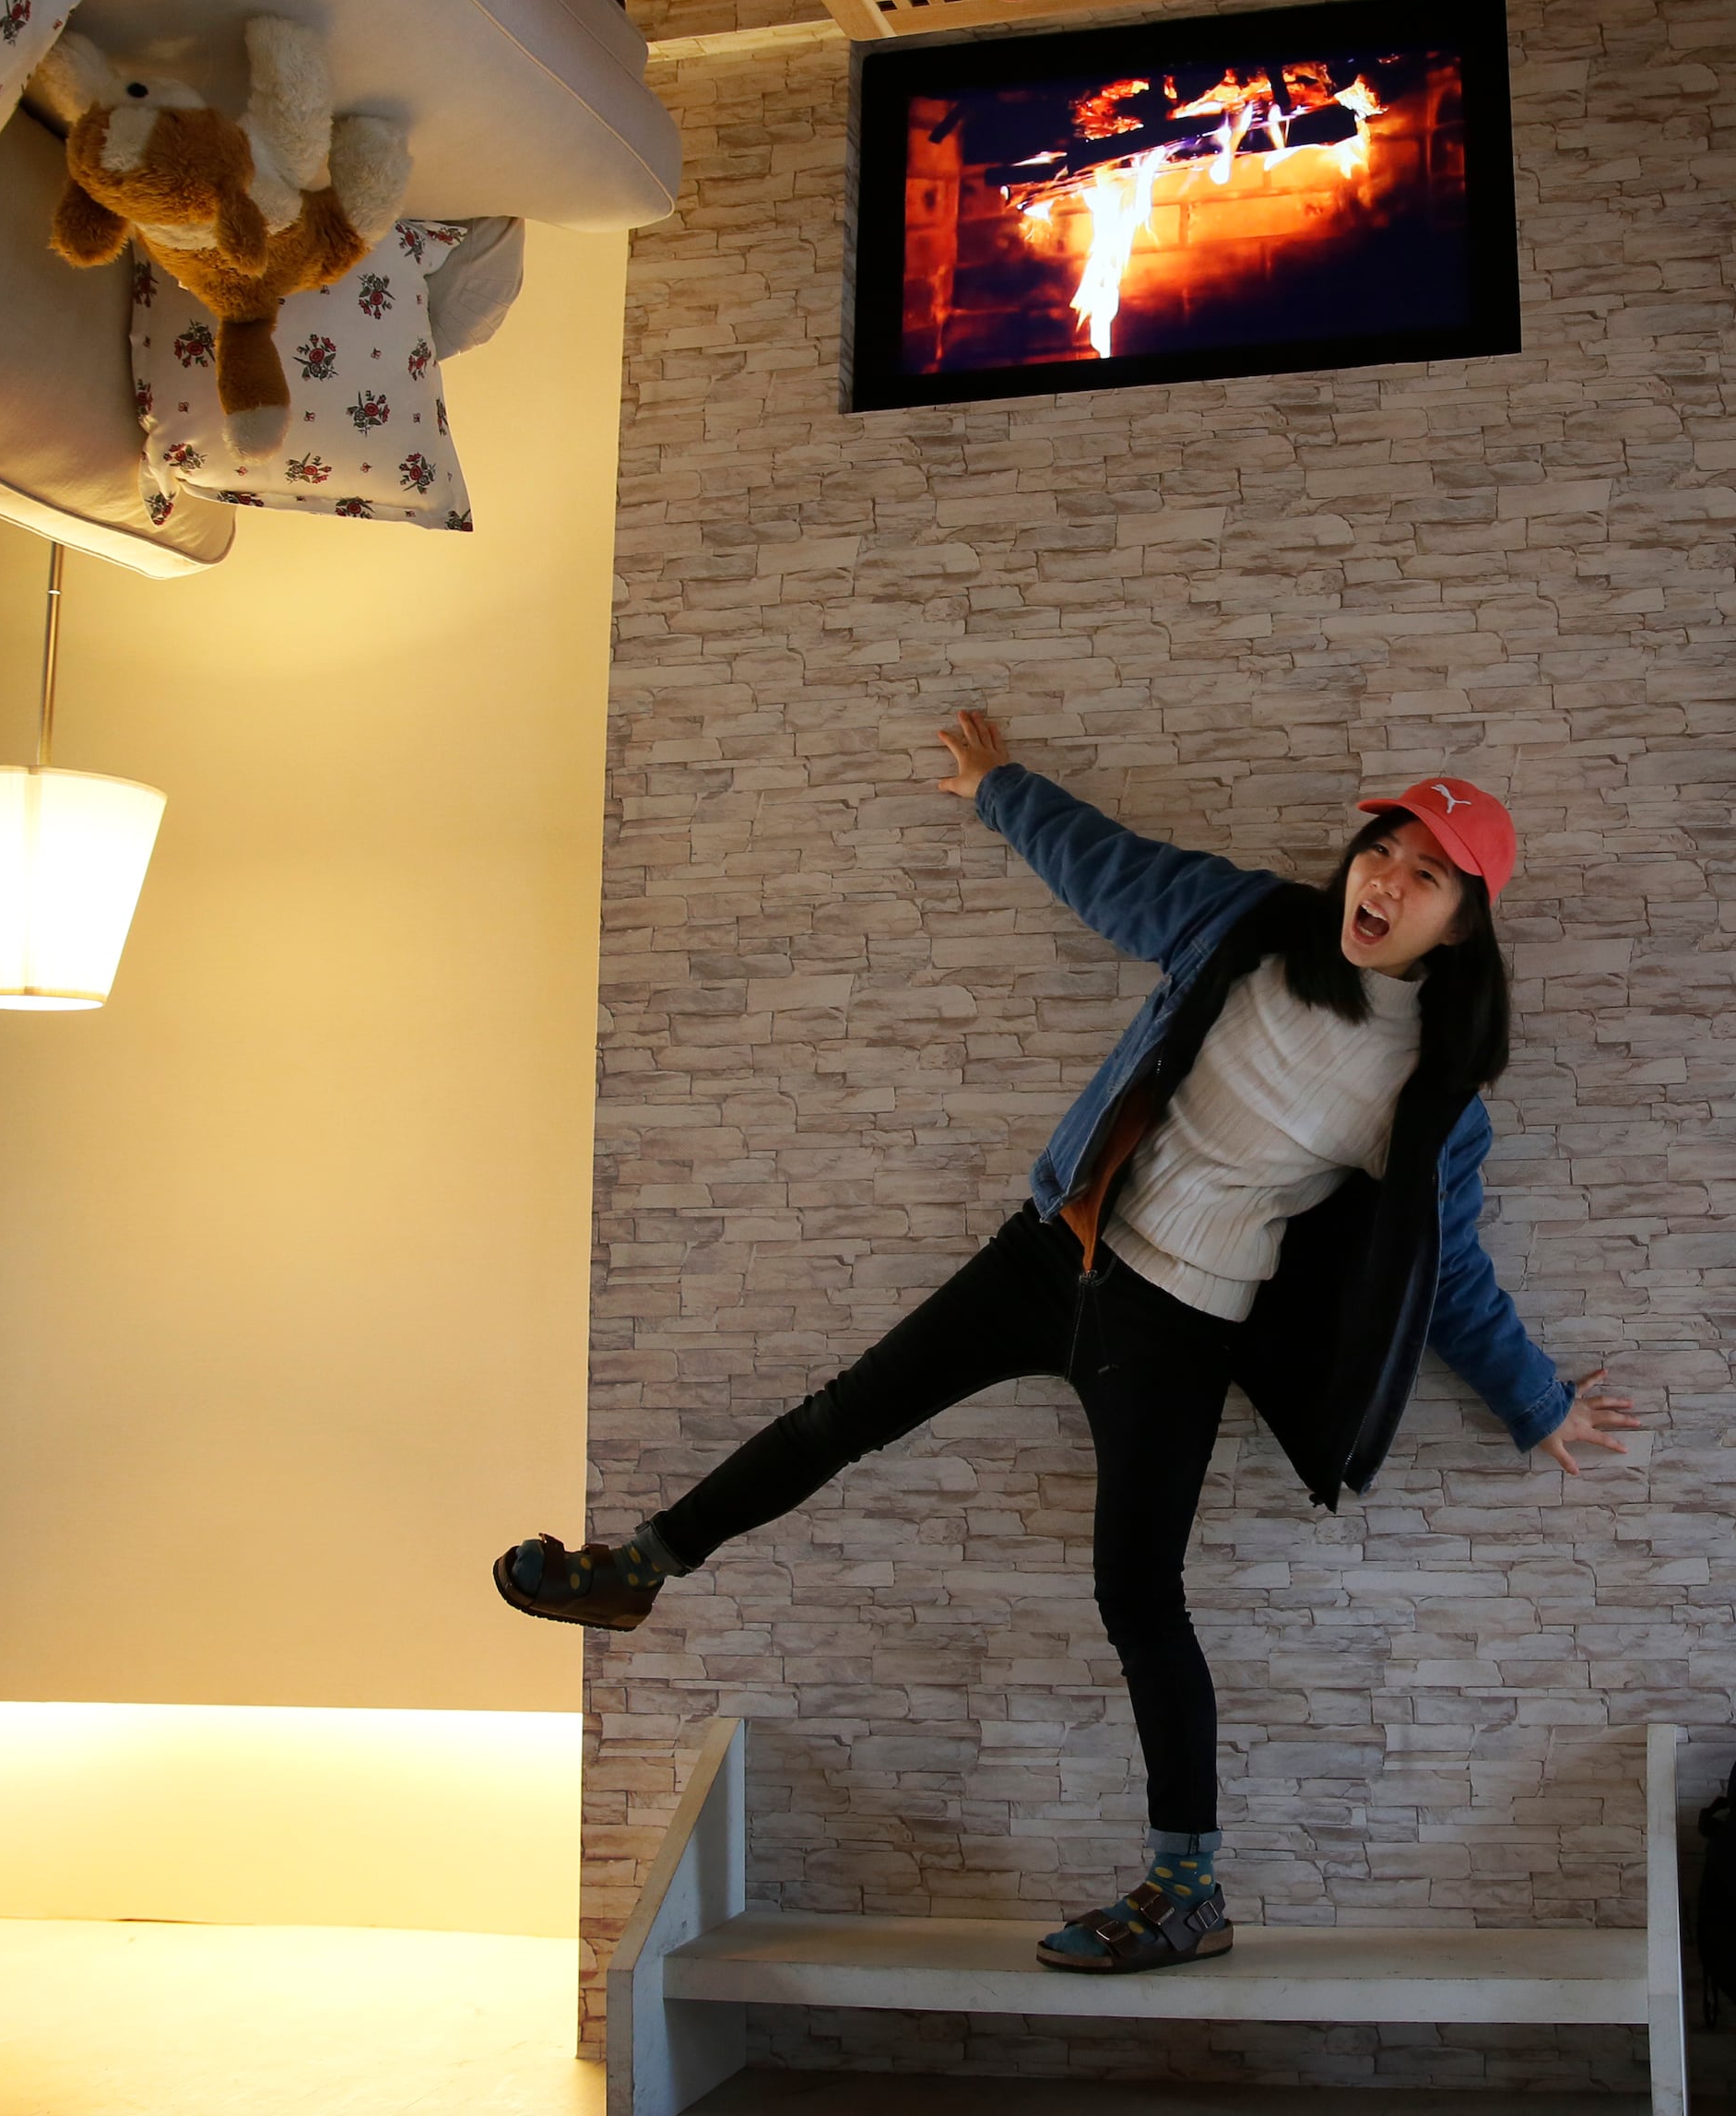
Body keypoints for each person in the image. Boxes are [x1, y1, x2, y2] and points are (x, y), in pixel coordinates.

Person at [498, 712, 1641, 1974]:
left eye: (1428, 876)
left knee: (1137, 1595)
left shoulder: (1431, 1096)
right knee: (845, 1413)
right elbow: (1113, 869)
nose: (1387, 880)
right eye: (1383, 850)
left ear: (1462, 927)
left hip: (1181, 1324)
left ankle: (1187, 1892)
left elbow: (1450, 1273)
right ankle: (639, 1568)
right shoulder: (1249, 923)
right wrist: (1001, 787)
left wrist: (1537, 1403)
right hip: (1058, 1249)